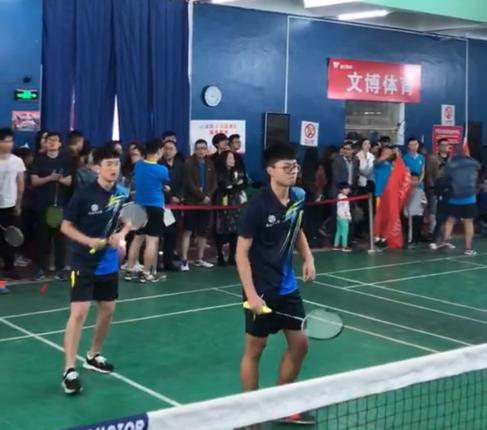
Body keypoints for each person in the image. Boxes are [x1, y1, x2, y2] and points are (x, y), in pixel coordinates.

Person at [236, 143, 316, 425]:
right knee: (255, 350)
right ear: (270, 171)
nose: (293, 171)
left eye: (295, 166)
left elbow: (297, 228)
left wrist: (308, 257)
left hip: (287, 287)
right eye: (286, 167)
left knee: (300, 344)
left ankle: (280, 405)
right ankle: (250, 413)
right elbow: (241, 254)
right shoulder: (256, 207)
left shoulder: (298, 197)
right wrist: (251, 296)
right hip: (260, 290)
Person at [60, 146, 129, 395]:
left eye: (116, 164)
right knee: (79, 313)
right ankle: (69, 370)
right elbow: (65, 227)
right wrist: (89, 241)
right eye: (108, 164)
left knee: (108, 311)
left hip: (108, 263)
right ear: (97, 168)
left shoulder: (122, 193)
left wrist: (121, 234)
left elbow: (128, 219)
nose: (113, 168)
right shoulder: (84, 194)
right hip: (83, 262)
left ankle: (92, 355)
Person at [126, 139, 169, 282]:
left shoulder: (138, 166)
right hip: (155, 206)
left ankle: (129, 271)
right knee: (152, 241)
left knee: (137, 239)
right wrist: (165, 188)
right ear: (159, 151)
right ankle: (145, 273)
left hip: (139, 207)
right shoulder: (162, 169)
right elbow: (165, 183)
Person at [30, 132, 72, 279]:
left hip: (60, 205)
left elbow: (69, 181)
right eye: (49, 140)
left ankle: (61, 269)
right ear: (45, 143)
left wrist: (59, 179)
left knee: (60, 239)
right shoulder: (39, 159)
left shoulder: (66, 159)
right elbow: (34, 181)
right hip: (42, 204)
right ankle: (41, 268)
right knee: (42, 239)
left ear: (60, 143)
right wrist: (50, 178)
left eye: (55, 140)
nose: (52, 142)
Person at [181, 139, 217, 271]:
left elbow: (214, 183)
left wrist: (208, 196)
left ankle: (200, 259)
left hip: (206, 203)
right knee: (188, 231)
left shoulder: (210, 163)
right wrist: (202, 196)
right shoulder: (188, 163)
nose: (201, 151)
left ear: (207, 150)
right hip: (192, 202)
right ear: (195, 150)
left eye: (204, 148)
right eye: (199, 148)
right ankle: (184, 260)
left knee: (202, 232)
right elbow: (189, 184)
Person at [439, 145, 480, 255]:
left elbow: (445, 178)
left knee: (450, 220)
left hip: (454, 197)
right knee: (468, 222)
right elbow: (479, 168)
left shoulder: (450, 164)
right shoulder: (472, 162)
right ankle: (468, 249)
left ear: (454, 153)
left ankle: (446, 241)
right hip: (469, 198)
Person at [0, 128, 25, 280]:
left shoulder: (17, 161)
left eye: (10, 141)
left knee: (10, 239)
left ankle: (9, 268)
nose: (8, 144)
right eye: (4, 141)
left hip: (10, 206)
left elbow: (20, 183)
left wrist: (18, 205)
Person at [214, 151, 246, 266]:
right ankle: (220, 256)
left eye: (233, 158)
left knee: (235, 230)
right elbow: (225, 187)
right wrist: (235, 185)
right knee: (221, 230)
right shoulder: (219, 173)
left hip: (235, 203)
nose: (233, 160)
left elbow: (243, 184)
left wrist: (235, 186)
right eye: (230, 158)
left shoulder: (237, 171)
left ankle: (232, 256)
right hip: (222, 203)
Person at [160, 139, 185, 271]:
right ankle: (156, 262)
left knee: (172, 233)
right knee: (161, 233)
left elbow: (184, 183)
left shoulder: (180, 165)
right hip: (162, 204)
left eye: (171, 149)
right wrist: (170, 197)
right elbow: (160, 185)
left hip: (177, 205)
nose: (168, 151)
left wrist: (178, 197)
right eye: (166, 148)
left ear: (176, 151)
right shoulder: (159, 165)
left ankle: (168, 261)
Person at [403, 173, 427, 247]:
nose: (414, 181)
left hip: (419, 213)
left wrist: (423, 209)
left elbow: (424, 202)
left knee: (418, 227)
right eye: (412, 179)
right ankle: (410, 240)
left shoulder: (420, 191)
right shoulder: (405, 191)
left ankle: (417, 239)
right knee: (411, 228)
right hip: (410, 213)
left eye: (416, 180)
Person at [333, 182, 352, 252]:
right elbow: (346, 209)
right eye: (345, 188)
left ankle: (336, 245)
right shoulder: (345, 198)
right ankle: (344, 246)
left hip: (338, 217)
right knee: (345, 232)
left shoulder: (339, 196)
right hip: (344, 217)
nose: (347, 190)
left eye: (348, 188)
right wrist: (349, 217)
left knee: (338, 231)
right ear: (341, 190)